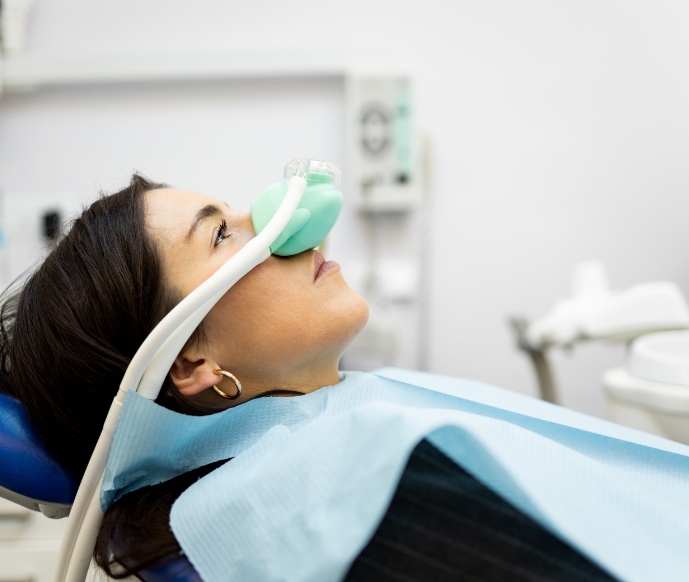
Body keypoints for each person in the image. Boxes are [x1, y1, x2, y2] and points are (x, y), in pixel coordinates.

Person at [0, 175, 618, 581]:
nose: (288, 224)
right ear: (191, 363)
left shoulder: (345, 440)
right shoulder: (331, 506)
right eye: (223, 235)